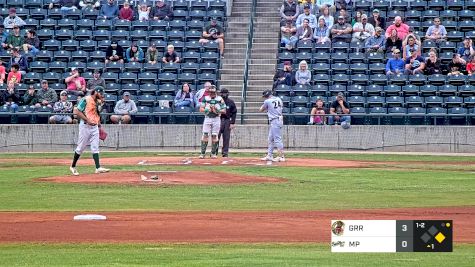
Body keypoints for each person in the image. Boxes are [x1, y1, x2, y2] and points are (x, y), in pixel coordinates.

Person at [70, 86, 110, 176]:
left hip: (94, 126)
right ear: (95, 92)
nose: (102, 95)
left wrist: (99, 125)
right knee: (81, 147)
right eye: (100, 93)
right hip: (85, 126)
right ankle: (73, 166)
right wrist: (87, 120)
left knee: (95, 147)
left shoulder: (98, 102)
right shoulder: (86, 99)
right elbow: (77, 111)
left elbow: (96, 114)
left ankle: (98, 167)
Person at [199, 85, 226, 159]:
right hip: (208, 117)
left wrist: (216, 111)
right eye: (210, 92)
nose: (211, 94)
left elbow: (224, 110)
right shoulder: (205, 98)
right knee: (205, 134)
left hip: (216, 118)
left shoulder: (220, 99)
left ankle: (213, 153)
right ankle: (202, 153)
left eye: (213, 92)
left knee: (214, 135)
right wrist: (208, 110)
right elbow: (201, 109)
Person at [259, 90, 285, 162]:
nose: (264, 98)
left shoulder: (267, 101)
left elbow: (261, 109)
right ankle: (269, 155)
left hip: (275, 120)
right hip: (278, 119)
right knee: (270, 138)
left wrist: (267, 108)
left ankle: (281, 156)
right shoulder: (279, 99)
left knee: (277, 139)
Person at [218, 88, 237, 158]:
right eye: (222, 93)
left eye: (225, 93)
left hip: (227, 120)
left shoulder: (231, 102)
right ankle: (214, 152)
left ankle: (225, 152)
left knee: (226, 137)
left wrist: (232, 122)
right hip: (218, 120)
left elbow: (234, 112)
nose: (224, 94)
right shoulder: (218, 101)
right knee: (216, 136)